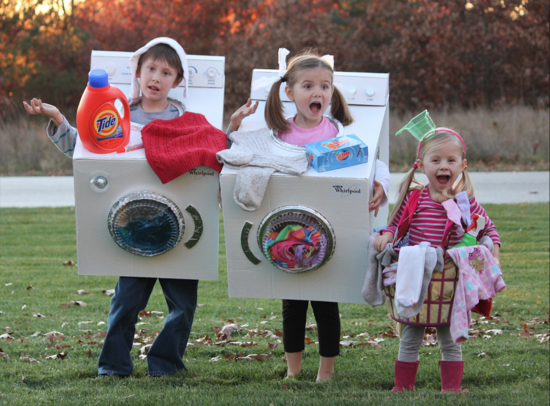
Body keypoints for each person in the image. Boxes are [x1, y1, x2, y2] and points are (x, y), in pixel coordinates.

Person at [23, 37, 207, 377]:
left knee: (183, 305)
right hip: (132, 225)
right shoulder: (117, 110)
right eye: (150, 68)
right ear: (137, 71)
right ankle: (114, 365)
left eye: (166, 72)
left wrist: (234, 130)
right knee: (126, 303)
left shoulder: (190, 119)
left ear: (177, 81)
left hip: (179, 224)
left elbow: (208, 159)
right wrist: (59, 119)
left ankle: (166, 365)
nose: (156, 77)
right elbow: (86, 149)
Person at [228, 49, 391, 381]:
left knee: (327, 303)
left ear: (332, 92)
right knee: (292, 306)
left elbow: (374, 163)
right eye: (308, 86)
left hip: (327, 236)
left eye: (325, 86)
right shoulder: (279, 132)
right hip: (286, 237)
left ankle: (326, 371)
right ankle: (293, 369)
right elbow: (243, 153)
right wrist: (233, 125)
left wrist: (381, 183)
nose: (318, 92)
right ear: (289, 93)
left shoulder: (339, 133)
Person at [373, 127, 501, 392]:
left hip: (450, 280)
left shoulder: (466, 203)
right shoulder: (415, 198)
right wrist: (387, 234)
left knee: (450, 337)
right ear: (421, 165)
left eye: (451, 160)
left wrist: (492, 251)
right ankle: (403, 386)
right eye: (436, 160)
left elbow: (489, 230)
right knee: (410, 334)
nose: (444, 166)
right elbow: (396, 224)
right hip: (415, 276)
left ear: (462, 166)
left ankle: (452, 388)